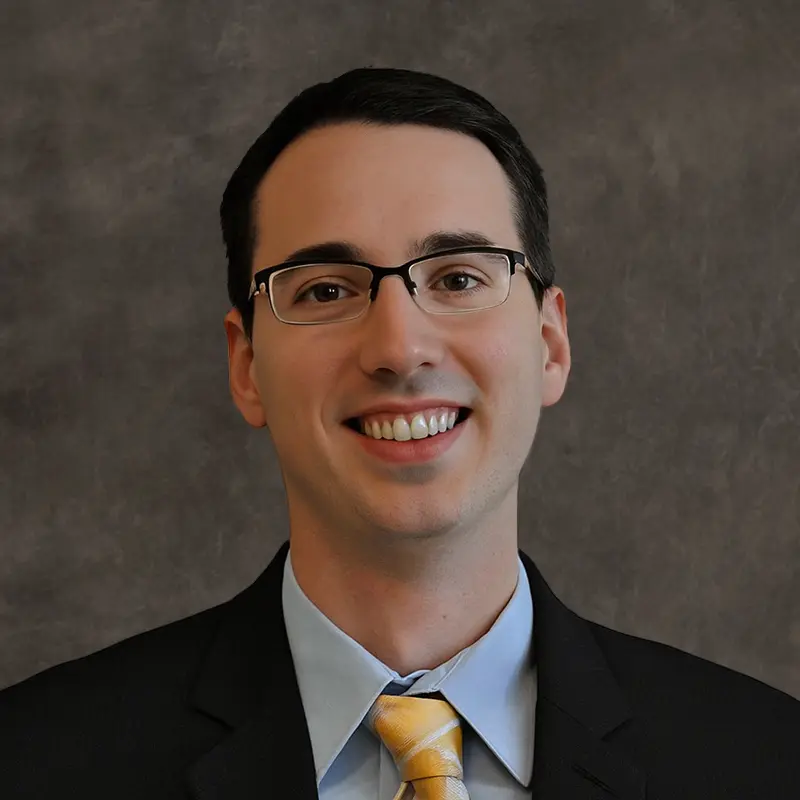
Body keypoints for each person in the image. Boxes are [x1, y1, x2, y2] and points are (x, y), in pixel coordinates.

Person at [0, 67, 797, 800]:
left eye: (456, 278)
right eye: (323, 290)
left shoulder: (766, 761)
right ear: (246, 365)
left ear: (550, 346)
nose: (397, 348)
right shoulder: (37, 761)